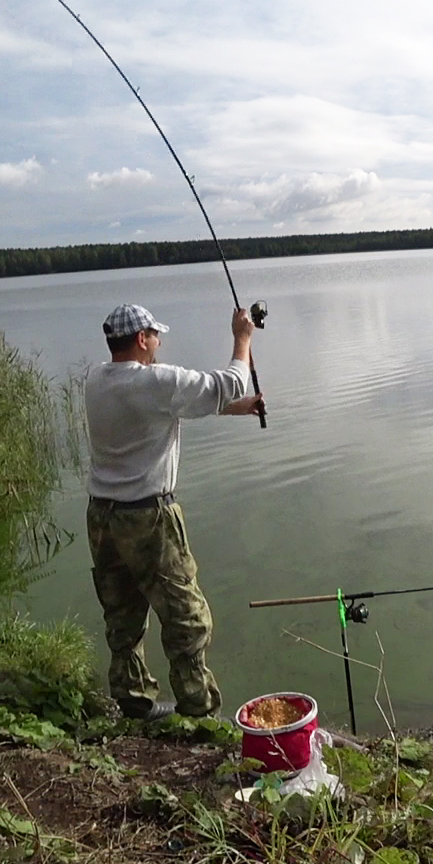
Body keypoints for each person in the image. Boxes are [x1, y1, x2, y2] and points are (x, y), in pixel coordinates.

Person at [84, 302, 262, 719]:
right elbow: (230, 382)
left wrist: (238, 408)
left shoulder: (96, 379)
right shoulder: (155, 381)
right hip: (147, 519)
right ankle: (198, 711)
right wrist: (243, 337)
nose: (160, 343)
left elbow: (165, 408)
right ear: (142, 339)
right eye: (156, 336)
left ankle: (132, 701)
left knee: (123, 614)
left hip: (102, 518)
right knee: (188, 618)